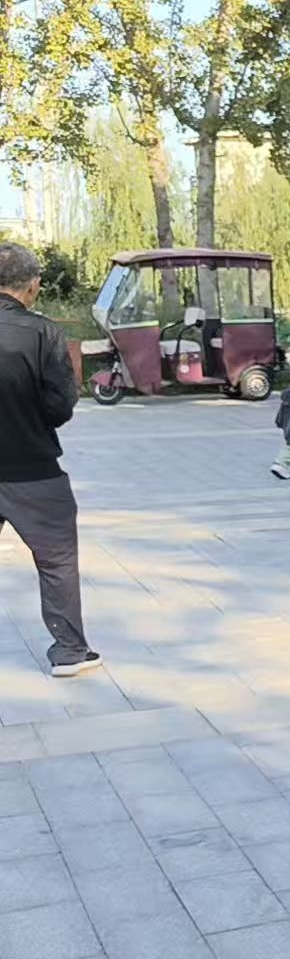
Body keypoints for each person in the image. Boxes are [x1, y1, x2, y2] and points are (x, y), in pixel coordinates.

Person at [0, 242, 101, 678]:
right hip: (32, 468)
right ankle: (69, 651)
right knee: (56, 561)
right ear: (34, 286)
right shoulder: (43, 332)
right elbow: (60, 406)